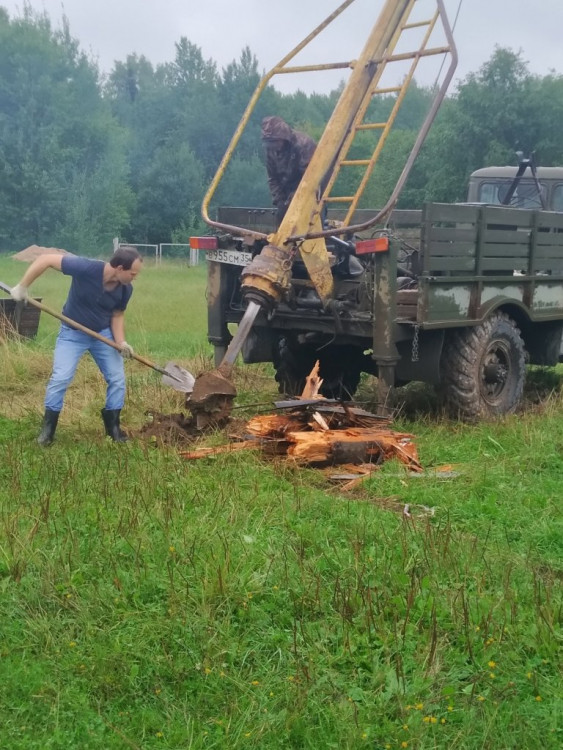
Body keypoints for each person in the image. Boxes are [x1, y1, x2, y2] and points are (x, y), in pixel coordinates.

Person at [10, 246, 143, 446]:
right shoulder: (86, 268)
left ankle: (113, 429)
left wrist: (121, 342)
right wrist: (22, 286)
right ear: (120, 268)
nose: (135, 278)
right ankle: (48, 431)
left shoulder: (126, 289)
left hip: (103, 335)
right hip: (72, 334)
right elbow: (45, 259)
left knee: (117, 379)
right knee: (61, 378)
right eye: (133, 273)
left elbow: (117, 315)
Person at [261, 116, 317, 223]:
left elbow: (312, 176)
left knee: (311, 222)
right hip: (286, 192)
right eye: (269, 143)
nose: (272, 146)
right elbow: (273, 178)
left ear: (283, 138)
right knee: (281, 216)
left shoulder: (303, 144)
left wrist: (298, 194)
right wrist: (279, 200)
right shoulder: (270, 150)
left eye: (274, 142)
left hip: (310, 191)